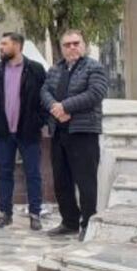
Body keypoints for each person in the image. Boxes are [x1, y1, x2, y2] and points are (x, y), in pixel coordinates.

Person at [41, 29, 107, 241]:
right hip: (59, 132)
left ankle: (88, 223)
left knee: (85, 181)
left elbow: (95, 93)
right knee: (62, 180)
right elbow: (44, 92)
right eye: (67, 44)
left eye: (76, 43)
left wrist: (66, 107)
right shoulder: (55, 69)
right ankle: (69, 221)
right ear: (61, 48)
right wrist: (55, 107)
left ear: (84, 45)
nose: (72, 47)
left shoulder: (94, 67)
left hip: (83, 131)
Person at [0, 32, 47, 231]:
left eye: (4, 44)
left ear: (18, 45)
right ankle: (5, 213)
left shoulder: (35, 69)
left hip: (28, 131)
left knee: (33, 173)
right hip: (3, 132)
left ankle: (35, 213)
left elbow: (46, 96)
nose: (0, 48)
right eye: (0, 44)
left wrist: (39, 121)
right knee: (4, 173)